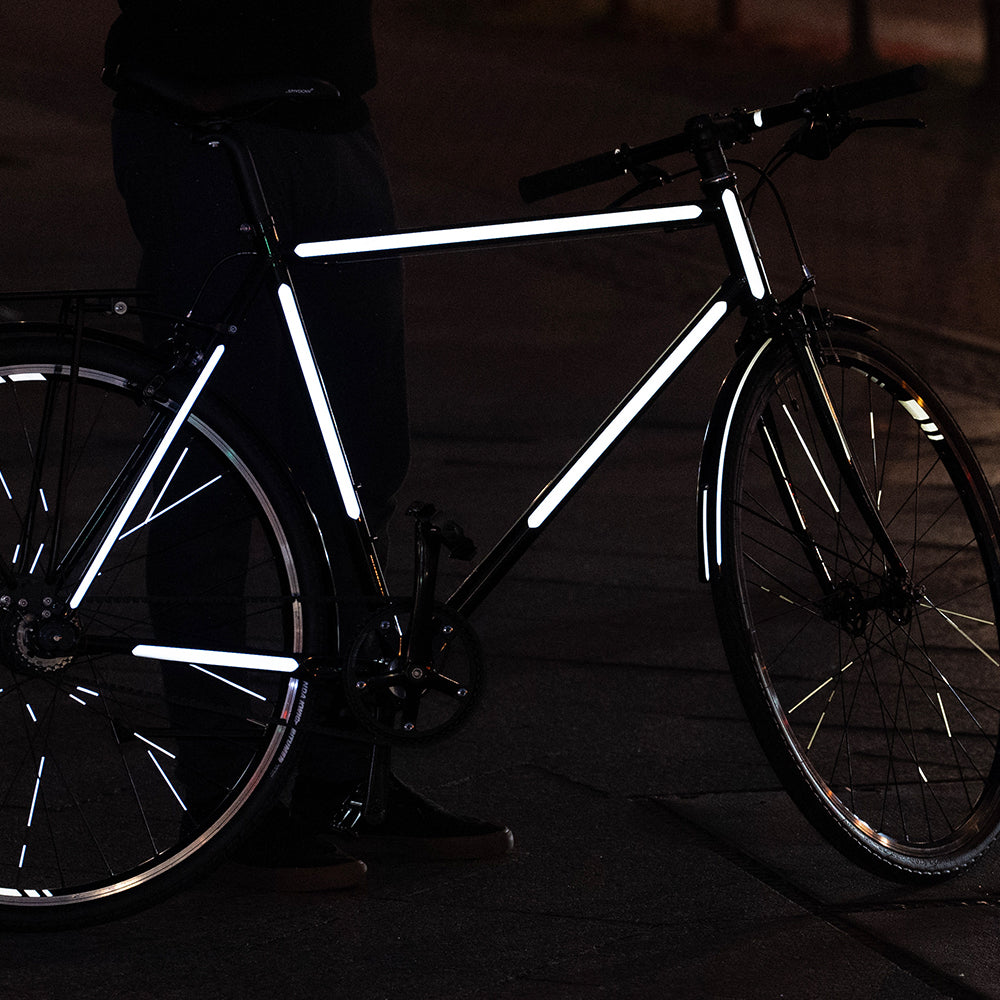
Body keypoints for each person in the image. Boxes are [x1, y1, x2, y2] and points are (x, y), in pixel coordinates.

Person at [103, 1, 512, 890]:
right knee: (215, 469)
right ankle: (222, 795)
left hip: (326, 114)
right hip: (201, 120)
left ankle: (347, 777)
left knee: (358, 470)